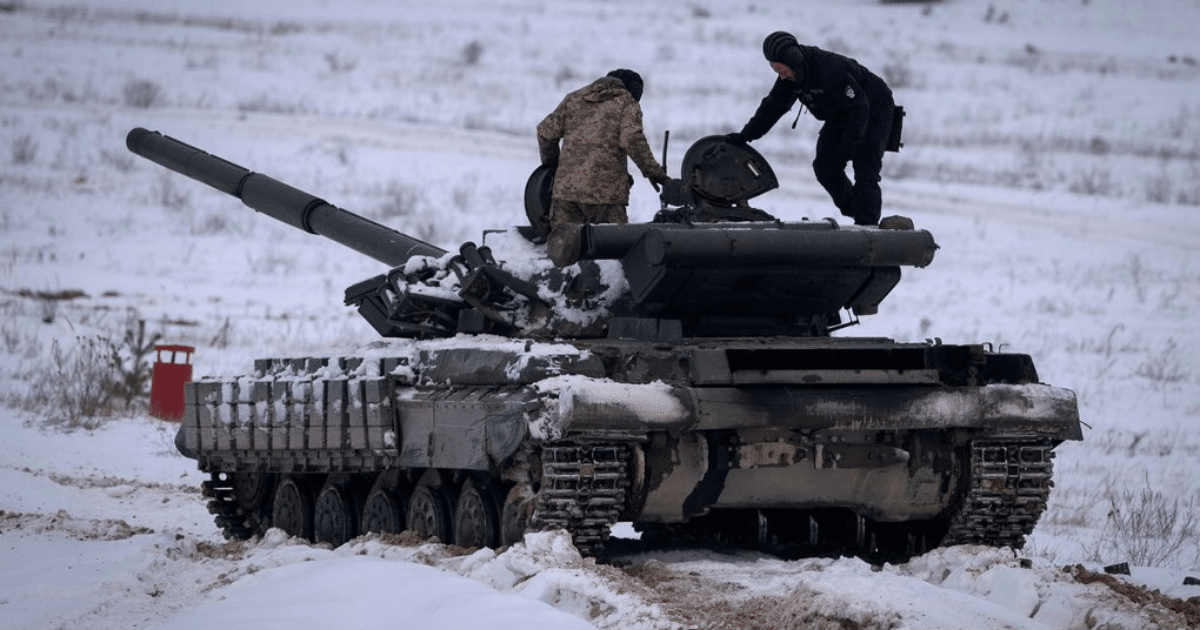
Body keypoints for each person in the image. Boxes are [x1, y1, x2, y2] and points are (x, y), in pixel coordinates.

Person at [726, 32, 896, 226]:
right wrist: (745, 136)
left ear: (794, 61)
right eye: (777, 72)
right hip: (842, 113)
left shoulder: (829, 69)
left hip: (873, 107)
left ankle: (868, 224)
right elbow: (771, 108)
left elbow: (860, 108)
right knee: (825, 168)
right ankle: (856, 210)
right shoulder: (790, 79)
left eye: (783, 70)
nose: (782, 76)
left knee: (865, 166)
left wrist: (849, 145)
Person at [537, 69, 669, 233]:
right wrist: (655, 173)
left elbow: (545, 132)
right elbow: (632, 140)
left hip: (565, 196)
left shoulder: (574, 99)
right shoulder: (627, 103)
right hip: (606, 199)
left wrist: (553, 166)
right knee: (610, 254)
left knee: (564, 252)